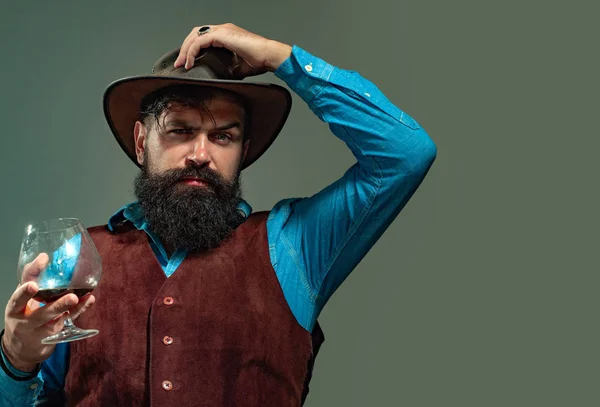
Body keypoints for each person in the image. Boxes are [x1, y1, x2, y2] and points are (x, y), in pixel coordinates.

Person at [0, 23, 437, 406]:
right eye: (181, 131)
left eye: (223, 137)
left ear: (244, 151)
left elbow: (405, 154)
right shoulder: (79, 257)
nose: (201, 155)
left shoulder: (294, 246)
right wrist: (16, 362)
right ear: (140, 143)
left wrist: (280, 58)